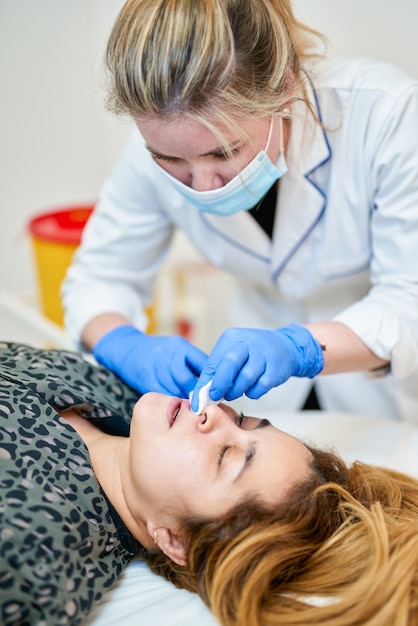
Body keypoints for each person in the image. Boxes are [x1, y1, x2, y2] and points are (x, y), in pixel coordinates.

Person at [62, 0, 418, 421]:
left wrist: (297, 348)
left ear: (284, 89)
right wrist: (122, 342)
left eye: (224, 151)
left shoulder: (387, 115)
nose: (203, 185)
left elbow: (408, 299)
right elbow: (98, 279)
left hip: (391, 398)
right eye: (170, 161)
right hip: (262, 403)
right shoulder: (154, 147)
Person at [1, 342, 418, 626]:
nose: (215, 414)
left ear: (177, 541)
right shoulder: (129, 398)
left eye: (225, 456)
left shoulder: (35, 551)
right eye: (242, 420)